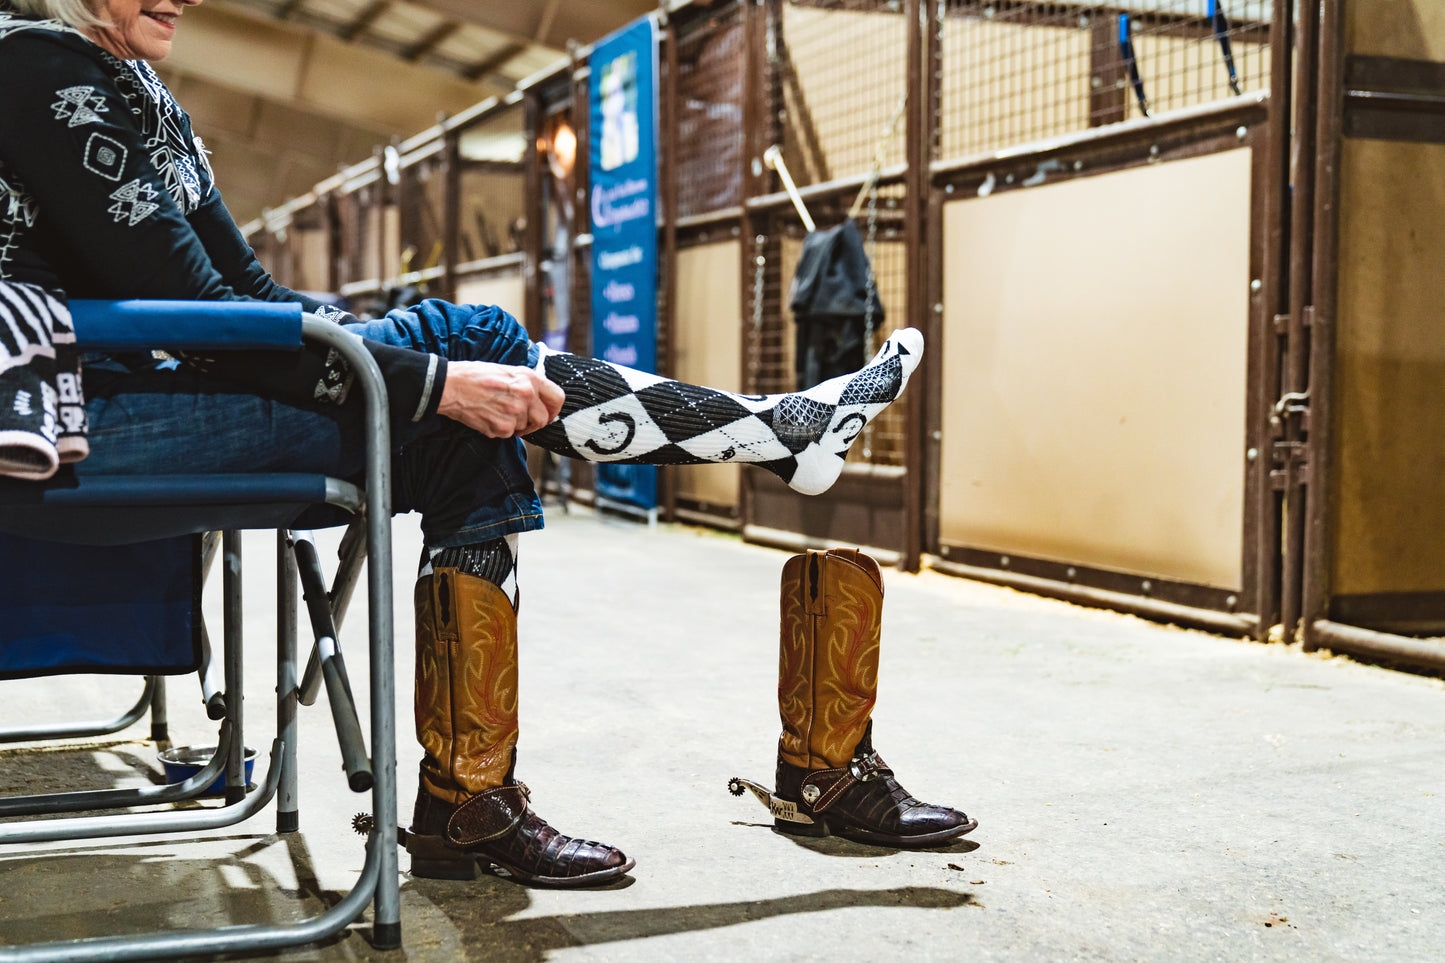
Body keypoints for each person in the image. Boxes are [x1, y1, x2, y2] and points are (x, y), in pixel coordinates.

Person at [0, 0, 971, 888]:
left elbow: (250, 295)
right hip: (74, 426)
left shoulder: (131, 83)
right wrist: (423, 375)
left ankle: (469, 803)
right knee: (466, 360)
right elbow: (200, 311)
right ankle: (777, 437)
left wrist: (384, 347)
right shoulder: (39, 67)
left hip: (128, 395)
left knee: (466, 417)